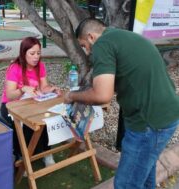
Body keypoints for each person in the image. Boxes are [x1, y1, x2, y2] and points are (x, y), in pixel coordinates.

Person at [64, 18, 179, 189]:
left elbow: (103, 95)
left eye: (83, 45)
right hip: (166, 115)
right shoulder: (124, 37)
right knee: (146, 174)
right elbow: (130, 76)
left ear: (91, 37)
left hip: (147, 123)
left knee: (126, 184)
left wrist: (72, 96)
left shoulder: (102, 44)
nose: (86, 52)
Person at [0, 37, 61, 167]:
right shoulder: (14, 68)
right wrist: (22, 89)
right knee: (25, 123)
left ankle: (46, 153)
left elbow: (44, 88)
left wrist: (52, 89)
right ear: (23, 53)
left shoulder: (41, 66)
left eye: (38, 53)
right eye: (32, 53)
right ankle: (22, 156)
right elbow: (10, 95)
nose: (36, 57)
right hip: (10, 106)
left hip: (31, 103)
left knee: (46, 119)